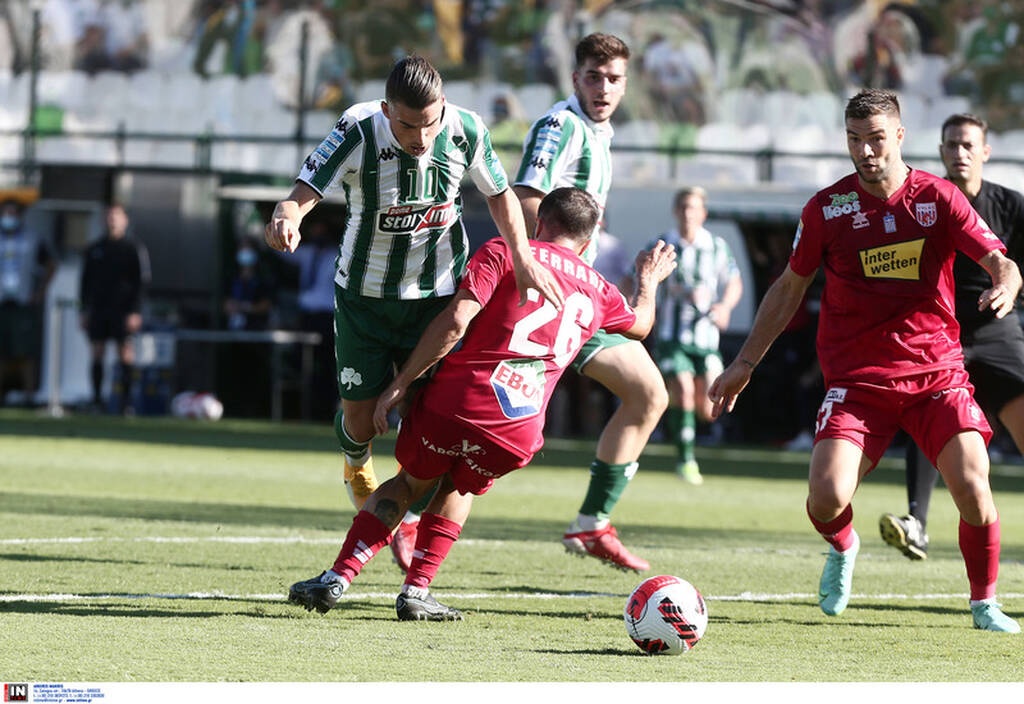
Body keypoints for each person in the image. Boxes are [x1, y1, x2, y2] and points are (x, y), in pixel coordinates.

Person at [708, 88, 1022, 633]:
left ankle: (983, 603)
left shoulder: (940, 197)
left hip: (935, 373)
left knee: (974, 482)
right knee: (827, 498)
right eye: (855, 140)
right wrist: (745, 362)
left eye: (876, 138)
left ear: (899, 136)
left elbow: (1000, 259)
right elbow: (787, 289)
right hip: (857, 380)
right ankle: (844, 546)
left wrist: (1005, 280)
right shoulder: (827, 208)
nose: (866, 151)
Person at [286, 186, 676, 621]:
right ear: (589, 243)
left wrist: (402, 382)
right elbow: (640, 325)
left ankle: (338, 577)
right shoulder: (600, 289)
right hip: (520, 428)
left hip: (459, 401)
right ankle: (417, 590)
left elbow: (455, 321)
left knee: (409, 483)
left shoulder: (505, 251)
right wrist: (649, 280)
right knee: (458, 486)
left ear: (538, 225)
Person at [263, 56, 563, 536]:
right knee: (361, 420)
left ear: (442, 106)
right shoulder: (358, 128)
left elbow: (500, 194)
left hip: (437, 298)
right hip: (365, 297)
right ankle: (356, 461)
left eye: (429, 123)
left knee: (432, 423)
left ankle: (403, 529)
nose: (420, 137)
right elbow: (303, 190)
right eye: (406, 124)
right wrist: (287, 217)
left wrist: (523, 257)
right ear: (386, 110)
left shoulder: (466, 129)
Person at [512, 32, 666, 572]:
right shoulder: (561, 126)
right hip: (549, 290)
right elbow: (527, 198)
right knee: (493, 420)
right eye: (594, 77)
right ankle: (403, 516)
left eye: (614, 78)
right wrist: (548, 271)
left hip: (577, 292)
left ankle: (591, 524)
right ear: (575, 78)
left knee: (648, 394)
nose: (604, 87)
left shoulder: (601, 132)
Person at [880, 112, 1024, 561]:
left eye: (968, 145)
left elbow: (1013, 269)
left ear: (985, 152)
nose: (959, 153)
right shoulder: (921, 201)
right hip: (938, 336)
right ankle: (917, 524)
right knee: (932, 425)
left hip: (998, 330)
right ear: (940, 151)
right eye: (951, 145)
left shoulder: (1011, 205)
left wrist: (1007, 291)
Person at [644, 186, 743, 484]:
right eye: (684, 207)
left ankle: (682, 432)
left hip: (706, 338)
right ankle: (685, 460)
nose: (688, 213)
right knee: (684, 390)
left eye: (694, 208)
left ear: (703, 213)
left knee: (707, 408)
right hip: (673, 337)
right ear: (676, 211)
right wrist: (648, 301)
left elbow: (734, 281)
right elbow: (636, 275)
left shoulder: (716, 246)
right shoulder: (663, 245)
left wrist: (724, 306)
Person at [79, 202, 150, 414]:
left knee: (125, 353)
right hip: (100, 309)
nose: (112, 220)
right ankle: (96, 400)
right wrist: (84, 310)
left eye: (116, 216)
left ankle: (125, 403)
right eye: (109, 216)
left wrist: (135, 311)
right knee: (97, 352)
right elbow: (85, 283)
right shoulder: (94, 249)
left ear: (125, 220)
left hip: (123, 310)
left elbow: (141, 283)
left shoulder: (133, 249)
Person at [0, 198, 56, 405]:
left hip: (23, 302)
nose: (8, 218)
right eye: (6, 213)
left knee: (25, 352)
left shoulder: (32, 239)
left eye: (13, 213)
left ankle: (28, 396)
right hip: (2, 300)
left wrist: (40, 292)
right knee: (2, 352)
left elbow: (51, 264)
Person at [222, 234, 276, 417]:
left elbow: (266, 304)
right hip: (235, 332)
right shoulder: (233, 276)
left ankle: (256, 411)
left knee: (254, 373)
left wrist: (246, 308)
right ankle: (233, 409)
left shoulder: (263, 277)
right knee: (235, 373)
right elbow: (226, 302)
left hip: (257, 332)